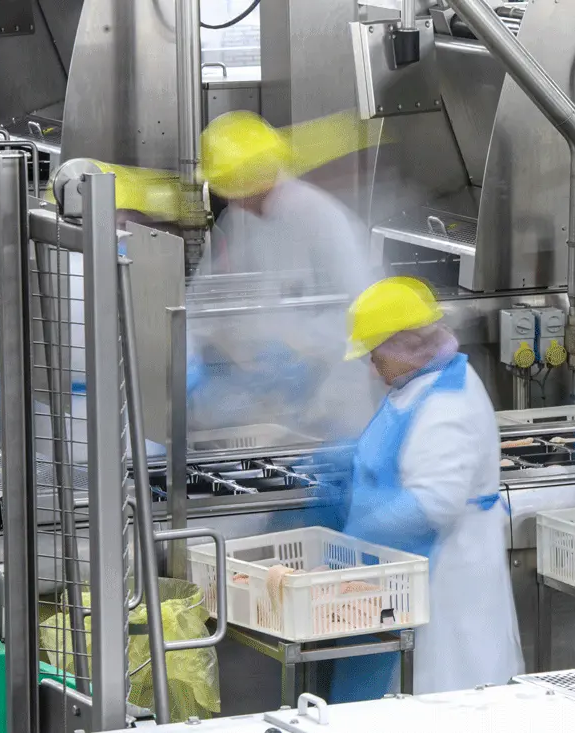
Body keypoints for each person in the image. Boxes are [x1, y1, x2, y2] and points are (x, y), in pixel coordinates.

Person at [328, 276, 524, 701]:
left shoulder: (447, 401)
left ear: (403, 345)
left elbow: (435, 503)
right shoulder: (417, 383)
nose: (371, 364)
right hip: (412, 574)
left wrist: (360, 529)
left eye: (375, 353)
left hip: (449, 576)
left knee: (445, 696)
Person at [186, 111, 380, 442]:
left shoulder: (320, 217)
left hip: (337, 390)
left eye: (234, 189)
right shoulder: (241, 221)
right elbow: (206, 298)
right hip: (274, 402)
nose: (233, 200)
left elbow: (367, 307)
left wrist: (304, 347)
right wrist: (189, 358)